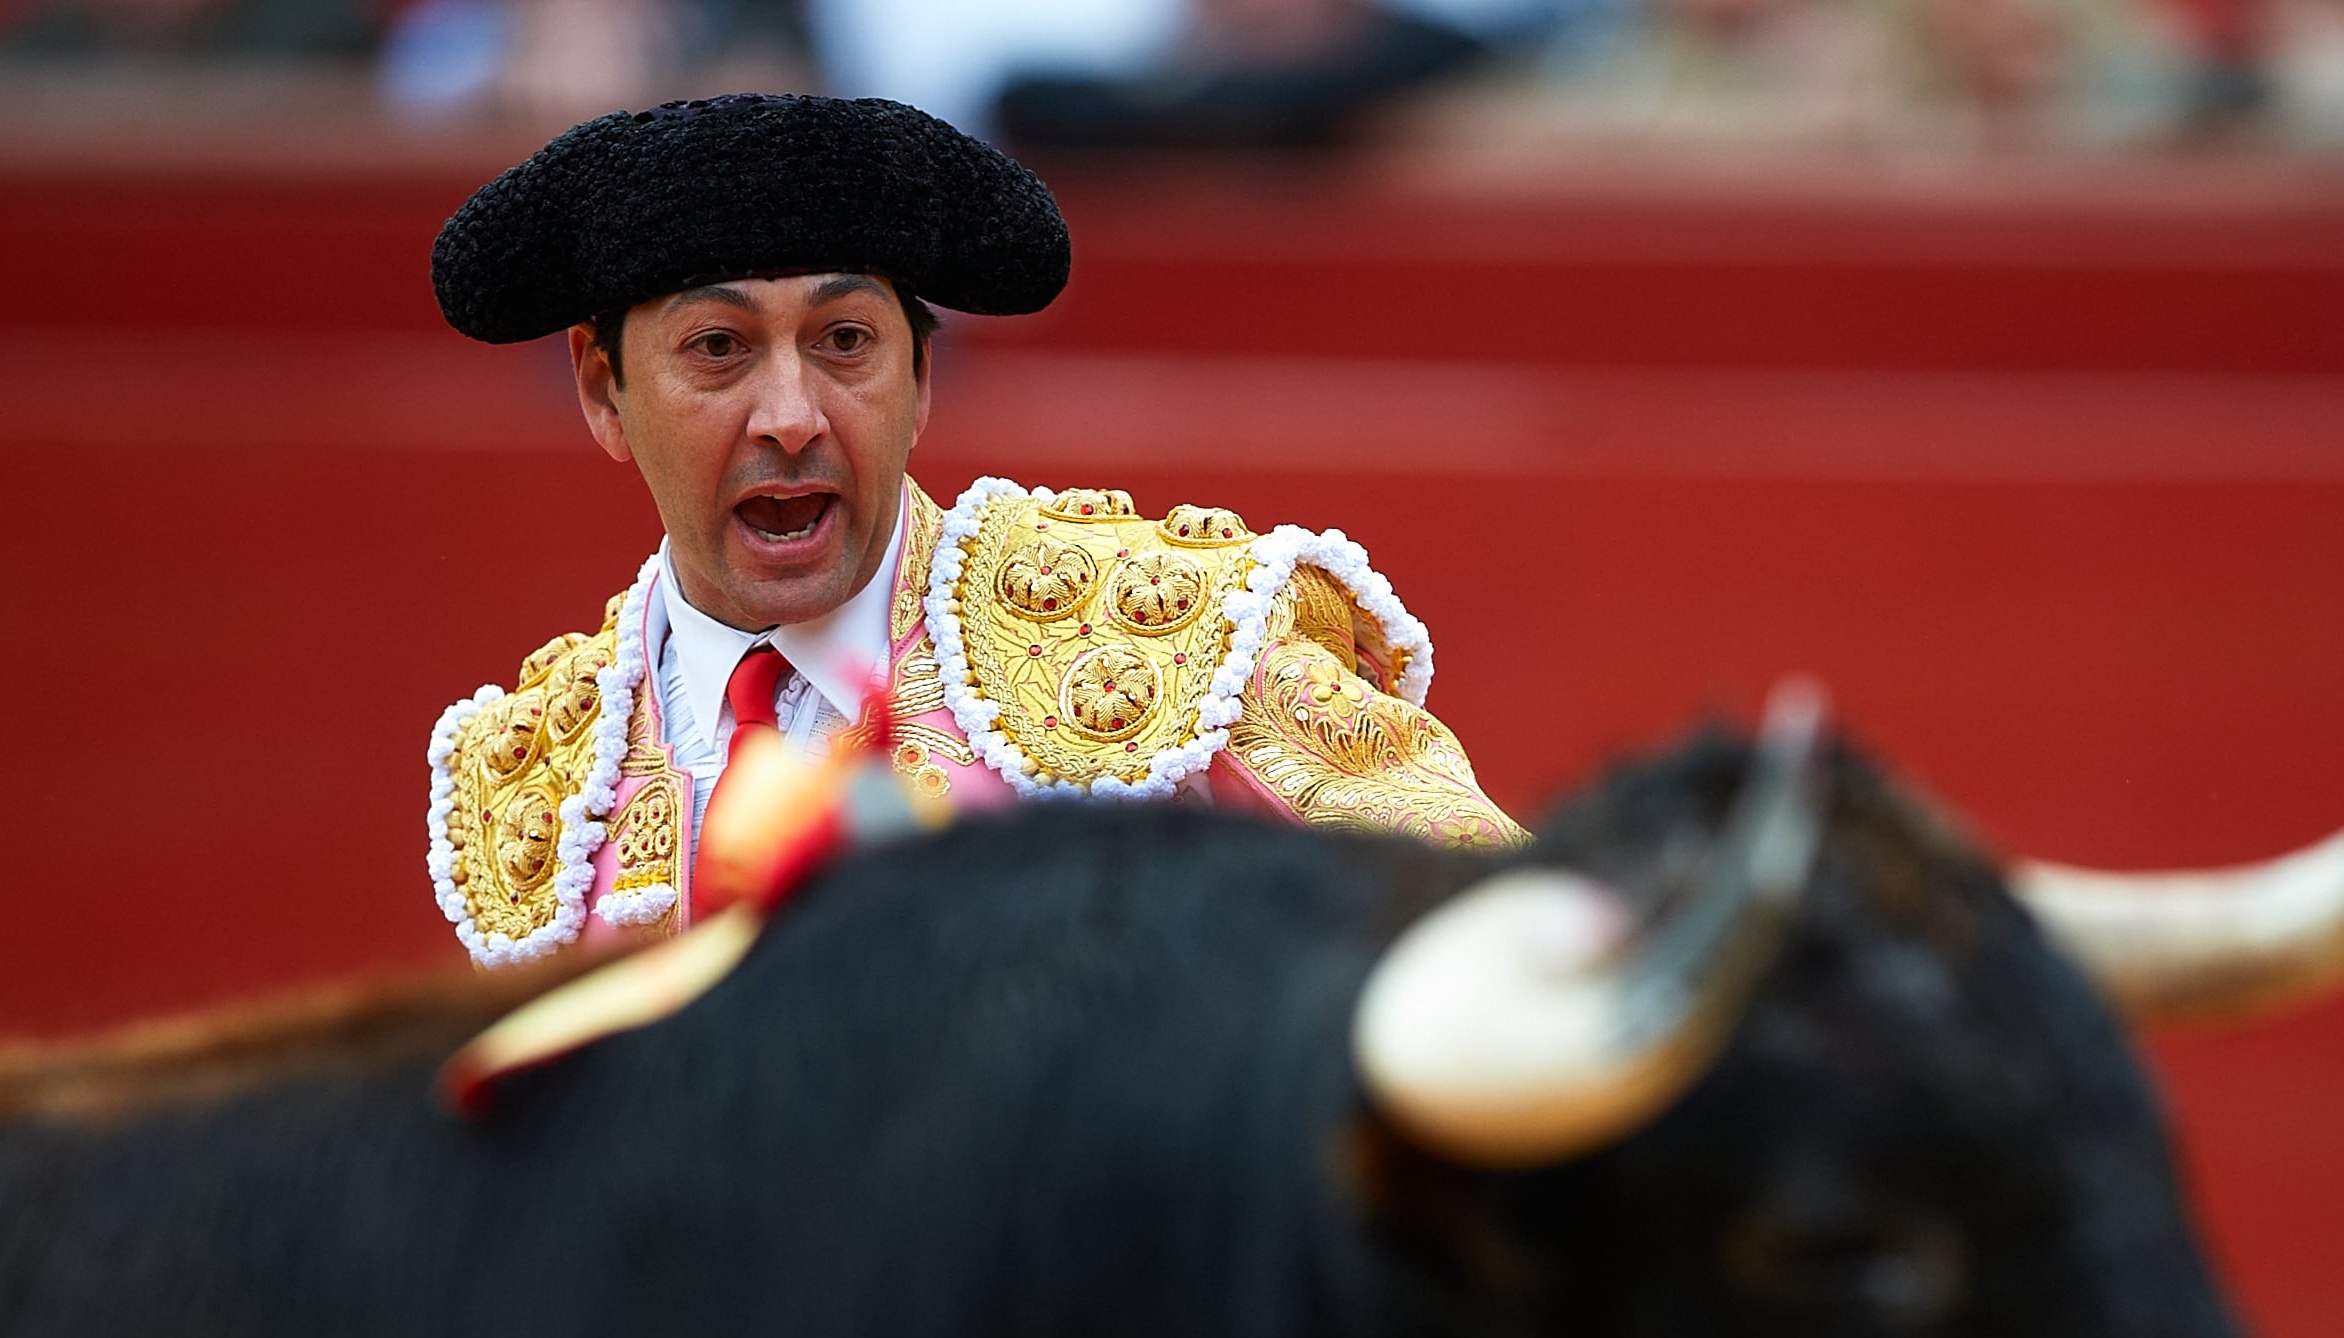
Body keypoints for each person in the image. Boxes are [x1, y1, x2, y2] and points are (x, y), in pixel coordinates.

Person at [422, 93, 1520, 967]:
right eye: (718, 348)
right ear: (603, 391)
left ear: (921, 377)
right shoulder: (538, 781)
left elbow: (1497, 940)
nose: (794, 415)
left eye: (846, 340)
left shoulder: (1171, 644)